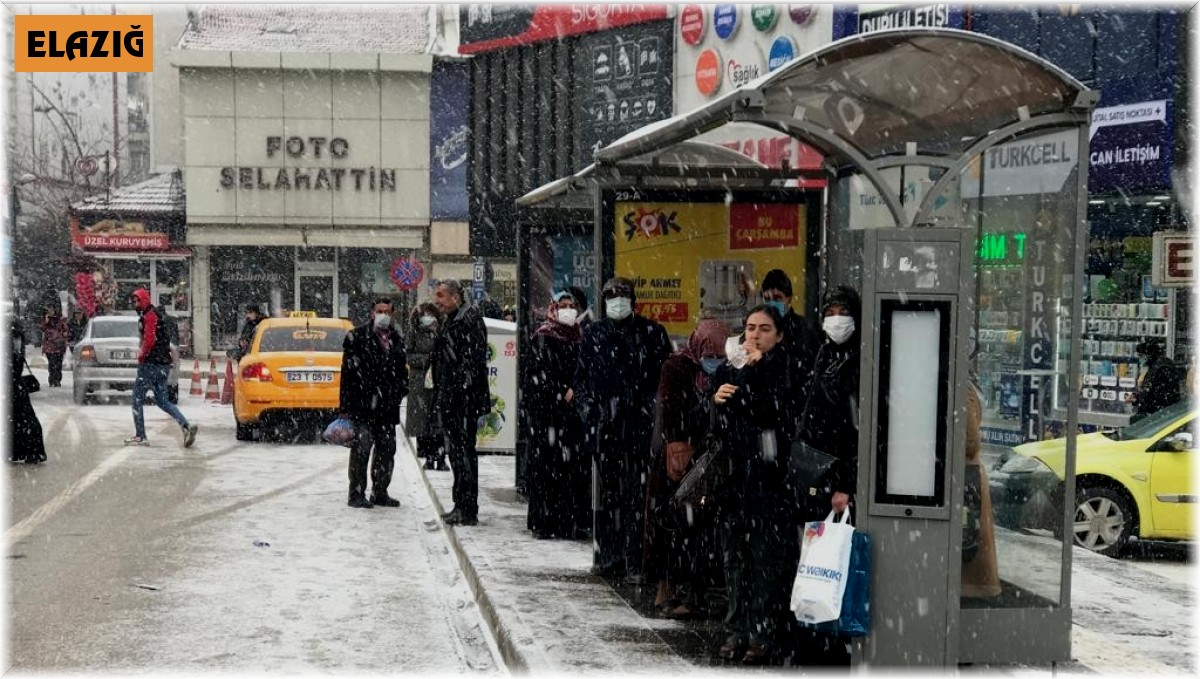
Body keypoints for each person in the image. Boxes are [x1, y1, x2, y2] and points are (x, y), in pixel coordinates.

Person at [711, 305, 799, 665]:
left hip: (770, 482)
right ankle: (736, 630)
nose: (755, 335)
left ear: (778, 335)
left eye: (764, 329)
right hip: (735, 482)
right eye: (750, 328)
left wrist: (759, 371)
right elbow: (715, 422)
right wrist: (714, 402)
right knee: (735, 562)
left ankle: (762, 633)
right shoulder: (729, 368)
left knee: (766, 563)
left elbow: (778, 413)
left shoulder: (784, 369)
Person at [573, 276, 673, 580]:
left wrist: (647, 409)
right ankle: (608, 555)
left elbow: (663, 379)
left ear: (633, 300)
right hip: (604, 430)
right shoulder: (593, 334)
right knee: (607, 495)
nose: (617, 301)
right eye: (611, 295)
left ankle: (635, 559)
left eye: (623, 295)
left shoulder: (652, 333)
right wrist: (590, 410)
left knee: (638, 496)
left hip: (639, 429)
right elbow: (580, 380)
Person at [793, 285, 863, 667]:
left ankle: (833, 645)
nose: (836, 318)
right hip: (814, 472)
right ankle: (814, 637)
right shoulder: (825, 353)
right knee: (816, 561)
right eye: (830, 310)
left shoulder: (858, 360)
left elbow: (856, 430)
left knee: (835, 564)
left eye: (842, 310)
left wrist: (845, 484)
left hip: (836, 479)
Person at [644, 316, 729, 618]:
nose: (714, 363)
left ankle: (695, 591)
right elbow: (673, 415)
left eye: (720, 357)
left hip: (706, 464)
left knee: (699, 530)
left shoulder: (725, 372)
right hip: (675, 459)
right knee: (671, 524)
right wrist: (708, 405)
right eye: (710, 356)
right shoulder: (677, 366)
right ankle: (666, 589)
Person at [525, 290, 590, 540]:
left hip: (573, 417)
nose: (567, 310)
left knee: (572, 468)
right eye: (562, 305)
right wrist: (561, 390)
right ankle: (544, 521)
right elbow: (538, 375)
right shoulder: (544, 335)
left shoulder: (581, 336)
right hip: (547, 416)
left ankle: (570, 521)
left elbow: (587, 369)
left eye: (572, 306)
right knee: (546, 467)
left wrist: (577, 389)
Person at [339, 298, 408, 509]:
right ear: (371, 313)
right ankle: (357, 493)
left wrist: (400, 390)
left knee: (387, 450)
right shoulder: (357, 337)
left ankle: (380, 491)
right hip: (363, 405)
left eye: (387, 311)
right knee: (362, 448)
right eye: (379, 311)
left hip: (387, 406)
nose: (383, 314)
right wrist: (345, 408)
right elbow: (347, 375)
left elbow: (400, 371)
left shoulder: (396, 338)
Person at [432, 280, 491, 526]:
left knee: (464, 454)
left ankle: (467, 508)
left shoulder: (469, 320)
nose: (438, 301)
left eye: (442, 296)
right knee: (456, 453)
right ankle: (461, 504)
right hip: (452, 398)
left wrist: (458, 391)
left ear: (456, 297)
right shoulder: (452, 320)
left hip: (463, 401)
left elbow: (471, 363)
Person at [126, 288, 198, 448]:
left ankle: (140, 436)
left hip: (151, 365)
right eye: (134, 301)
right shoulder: (154, 315)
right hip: (163, 365)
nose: (135, 304)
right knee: (162, 401)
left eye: (137, 301)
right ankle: (186, 426)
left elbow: (150, 340)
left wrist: (142, 356)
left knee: (137, 399)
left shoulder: (149, 316)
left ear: (144, 300)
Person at [760, 269, 821, 401]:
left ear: (789, 298)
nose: (772, 303)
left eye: (777, 298)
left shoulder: (805, 330)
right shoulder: (757, 329)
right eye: (767, 298)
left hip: (797, 400)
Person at [406, 302, 446, 471]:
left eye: (430, 314)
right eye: (424, 314)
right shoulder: (414, 332)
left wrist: (437, 359)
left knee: (439, 420)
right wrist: (425, 359)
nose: (427, 317)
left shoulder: (442, 331)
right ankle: (428, 456)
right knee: (423, 422)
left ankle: (441, 456)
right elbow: (408, 355)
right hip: (420, 383)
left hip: (439, 381)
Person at [8, 316, 46, 464]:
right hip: (18, 387)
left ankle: (17, 452)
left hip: (12, 387)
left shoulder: (10, 341)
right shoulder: (18, 340)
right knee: (26, 420)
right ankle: (32, 451)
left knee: (16, 421)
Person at [1131, 339, 1183, 422]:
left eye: (1140, 355)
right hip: (1160, 413)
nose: (1139, 358)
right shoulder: (1158, 365)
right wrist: (1137, 398)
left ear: (1147, 355)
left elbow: (1153, 393)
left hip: (1158, 416)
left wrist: (1139, 399)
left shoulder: (1159, 368)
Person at [39, 306, 68, 388]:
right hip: (49, 346)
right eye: (49, 310)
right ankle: (52, 380)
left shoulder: (60, 319)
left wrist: (63, 334)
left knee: (58, 364)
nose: (51, 311)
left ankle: (57, 380)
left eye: (52, 309)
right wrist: (46, 320)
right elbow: (42, 328)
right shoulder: (45, 319)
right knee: (52, 364)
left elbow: (65, 330)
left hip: (59, 345)